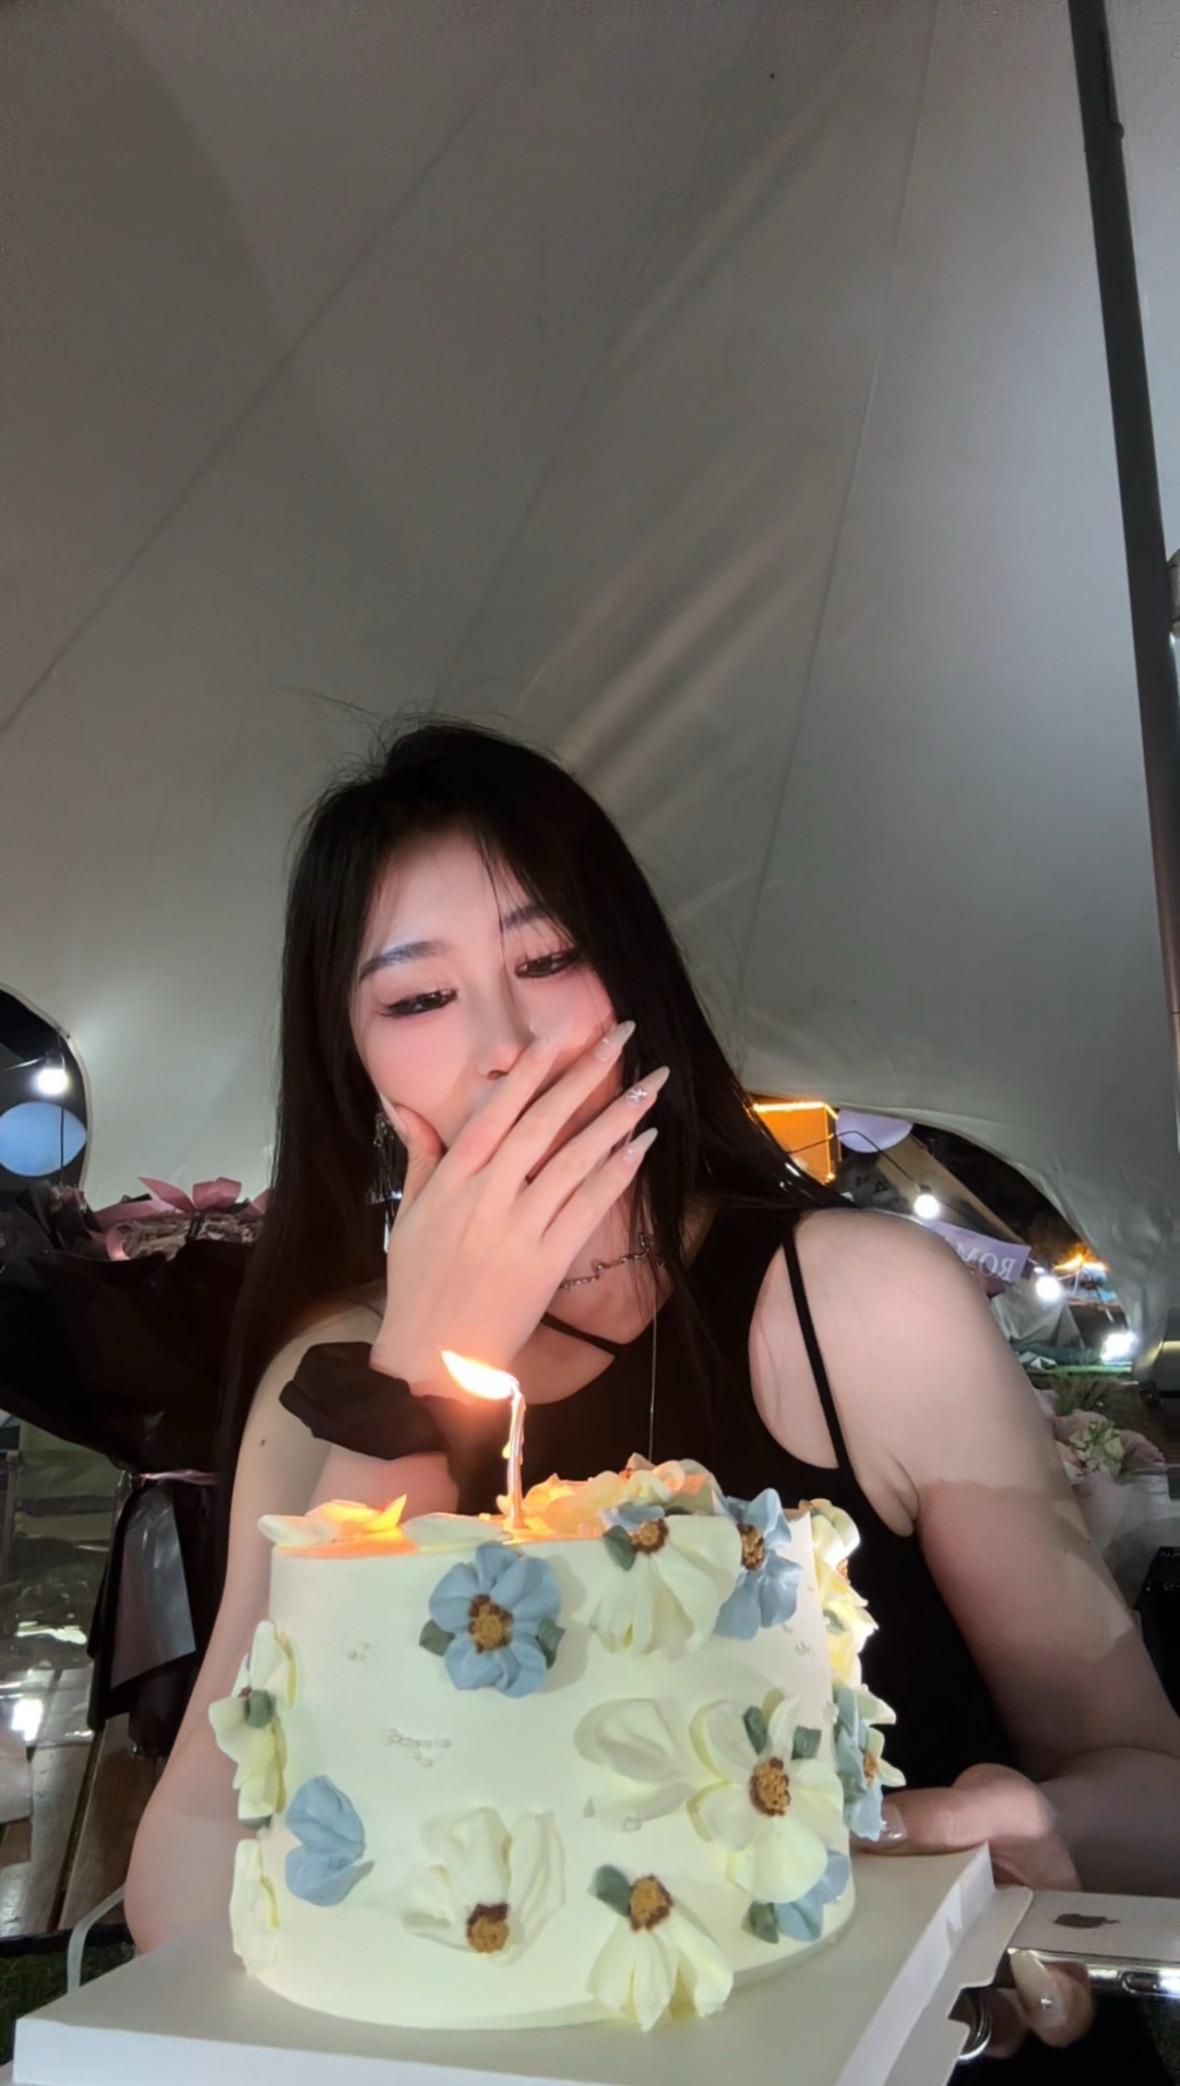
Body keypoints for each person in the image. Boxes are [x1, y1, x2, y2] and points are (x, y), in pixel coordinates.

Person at [126, 721, 1180, 2075]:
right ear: (354, 1067)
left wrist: (1038, 1823)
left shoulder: (856, 1303)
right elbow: (187, 1887)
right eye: (419, 997)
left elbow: (1155, 1792)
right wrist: (425, 1368)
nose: (507, 1042)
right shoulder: (327, 1380)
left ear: (634, 981)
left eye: (547, 959)